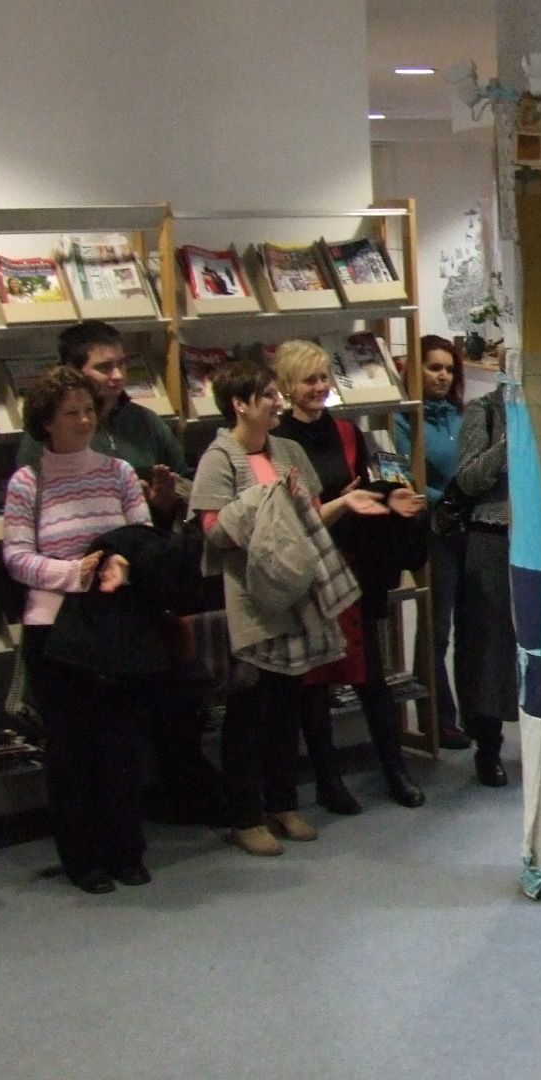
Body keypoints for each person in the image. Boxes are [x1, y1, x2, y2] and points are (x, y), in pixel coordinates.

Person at [2, 367, 156, 893]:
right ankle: (83, 858)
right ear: (46, 422)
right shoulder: (29, 482)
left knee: (123, 745)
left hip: (116, 621)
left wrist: (123, 564)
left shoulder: (118, 472)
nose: (85, 420)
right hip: (56, 630)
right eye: (71, 413)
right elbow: (16, 557)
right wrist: (74, 574)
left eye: (90, 410)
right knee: (72, 751)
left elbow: (143, 535)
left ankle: (127, 851)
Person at [272, 339, 427, 813]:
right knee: (315, 683)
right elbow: (289, 510)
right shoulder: (277, 441)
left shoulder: (347, 432)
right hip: (307, 571)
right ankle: (329, 780)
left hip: (351, 566)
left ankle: (395, 769)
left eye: (324, 377)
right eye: (309, 380)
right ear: (287, 386)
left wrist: (389, 497)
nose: (319, 387)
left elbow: (363, 485)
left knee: (370, 675)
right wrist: (342, 504)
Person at [189, 360, 338, 853]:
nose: (278, 403)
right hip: (247, 599)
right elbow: (213, 532)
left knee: (286, 704)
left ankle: (283, 802)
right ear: (239, 404)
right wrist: (263, 506)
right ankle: (246, 815)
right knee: (247, 708)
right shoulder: (218, 458)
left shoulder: (288, 449)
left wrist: (298, 507)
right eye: (268, 395)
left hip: (292, 592)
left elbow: (313, 515)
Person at [15, 319, 186, 518]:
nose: (118, 375)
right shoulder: (50, 428)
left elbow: (185, 485)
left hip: (145, 532)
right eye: (104, 368)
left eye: (121, 364)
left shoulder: (147, 421)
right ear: (73, 370)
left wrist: (166, 503)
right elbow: (31, 504)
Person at [443, 339, 519, 785]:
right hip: (491, 539)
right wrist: (508, 444)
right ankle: (487, 747)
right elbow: (468, 479)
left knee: (539, 645)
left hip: (540, 538)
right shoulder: (483, 411)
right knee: (488, 648)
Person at [397, 334, 476, 749]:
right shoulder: (404, 418)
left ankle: (475, 714)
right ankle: (438, 719)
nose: (443, 376)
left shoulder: (463, 416)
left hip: (472, 530)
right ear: (416, 370)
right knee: (435, 629)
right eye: (434, 368)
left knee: (473, 628)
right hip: (434, 531)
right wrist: (447, 502)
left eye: (449, 369)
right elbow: (405, 478)